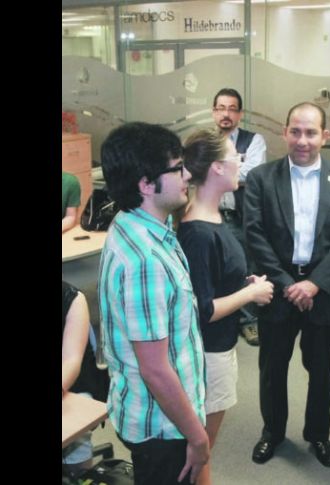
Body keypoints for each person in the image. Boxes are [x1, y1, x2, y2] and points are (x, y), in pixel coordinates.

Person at [243, 102, 330, 468]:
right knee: (272, 368)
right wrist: (287, 283)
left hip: (322, 292)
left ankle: (318, 434)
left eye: (311, 132)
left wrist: (313, 285)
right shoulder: (262, 178)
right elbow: (255, 233)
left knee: (322, 370)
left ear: (325, 136)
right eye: (295, 131)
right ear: (284, 132)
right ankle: (273, 432)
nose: (302, 140)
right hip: (277, 289)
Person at [97, 122, 209, 485]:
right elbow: (156, 370)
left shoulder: (133, 224)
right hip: (164, 429)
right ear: (146, 184)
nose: (187, 175)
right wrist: (198, 436)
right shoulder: (145, 260)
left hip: (155, 416)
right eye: (177, 168)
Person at [177, 129, 275, 485]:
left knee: (202, 448)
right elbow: (203, 309)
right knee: (201, 447)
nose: (241, 163)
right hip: (210, 352)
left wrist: (243, 286)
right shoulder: (198, 232)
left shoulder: (213, 219)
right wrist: (250, 295)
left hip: (221, 346)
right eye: (236, 156)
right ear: (217, 168)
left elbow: (215, 282)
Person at [212, 87, 267, 347]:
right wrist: (231, 170)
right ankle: (222, 317)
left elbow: (251, 174)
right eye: (221, 108)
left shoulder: (253, 140)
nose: (226, 114)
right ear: (214, 112)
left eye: (232, 109)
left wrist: (217, 170)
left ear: (240, 114)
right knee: (215, 269)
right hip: (211, 215)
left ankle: (248, 322)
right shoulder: (206, 140)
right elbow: (197, 169)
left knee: (243, 267)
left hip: (239, 215)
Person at [62, 281, 109, 475]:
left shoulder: (72, 299)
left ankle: (80, 472)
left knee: (78, 467)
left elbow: (71, 361)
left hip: (72, 386)